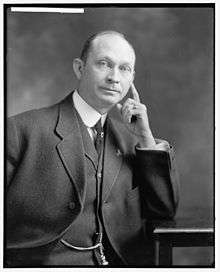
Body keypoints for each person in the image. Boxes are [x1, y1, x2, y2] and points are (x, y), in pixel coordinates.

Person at [6, 30, 179, 267]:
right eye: (104, 64)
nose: (114, 77)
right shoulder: (20, 131)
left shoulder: (134, 142)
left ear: (132, 78)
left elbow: (164, 211)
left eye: (124, 69)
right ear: (79, 68)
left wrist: (146, 139)